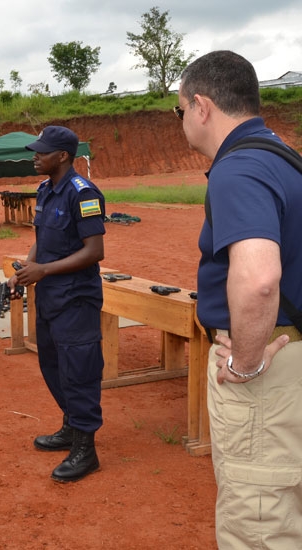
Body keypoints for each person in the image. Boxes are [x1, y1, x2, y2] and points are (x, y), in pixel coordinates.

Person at [177, 50, 302, 548]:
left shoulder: (239, 169)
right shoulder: (284, 157)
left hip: (268, 368)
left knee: (260, 523)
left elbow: (258, 279)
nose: (182, 121)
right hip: (293, 354)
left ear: (202, 106)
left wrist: (245, 363)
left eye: (180, 110)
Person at [8, 127, 105, 483]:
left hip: (76, 299)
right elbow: (41, 238)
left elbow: (94, 251)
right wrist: (26, 268)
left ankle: (86, 450)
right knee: (53, 366)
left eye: (42, 152)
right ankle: (70, 426)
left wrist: (44, 270)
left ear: (63, 156)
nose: (35, 156)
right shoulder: (45, 190)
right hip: (50, 297)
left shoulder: (83, 193)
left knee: (79, 371)